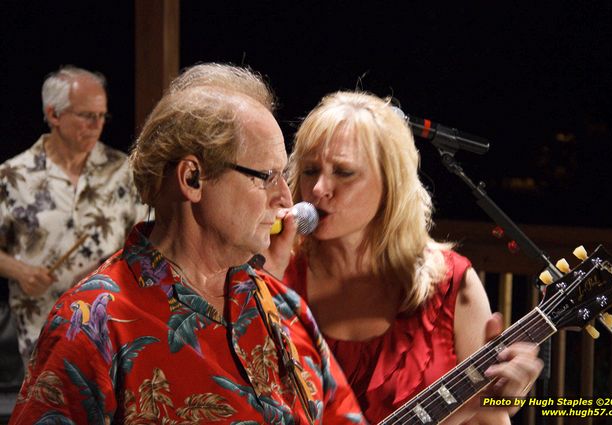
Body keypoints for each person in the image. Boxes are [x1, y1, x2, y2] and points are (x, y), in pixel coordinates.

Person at [10, 64, 364, 424]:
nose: (286, 199)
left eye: (283, 175)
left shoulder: (285, 308)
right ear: (192, 178)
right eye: (266, 177)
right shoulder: (91, 324)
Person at [266, 91, 544, 424]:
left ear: (391, 184)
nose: (319, 189)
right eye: (311, 171)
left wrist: (503, 400)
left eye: (343, 172)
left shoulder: (452, 286)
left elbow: (489, 418)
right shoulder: (273, 274)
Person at [0, 66, 147, 367]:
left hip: (112, 322)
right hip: (44, 326)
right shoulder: (12, 176)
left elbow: (148, 239)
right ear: (54, 115)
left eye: (102, 116)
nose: (97, 125)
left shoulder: (121, 170)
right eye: (87, 116)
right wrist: (20, 272)